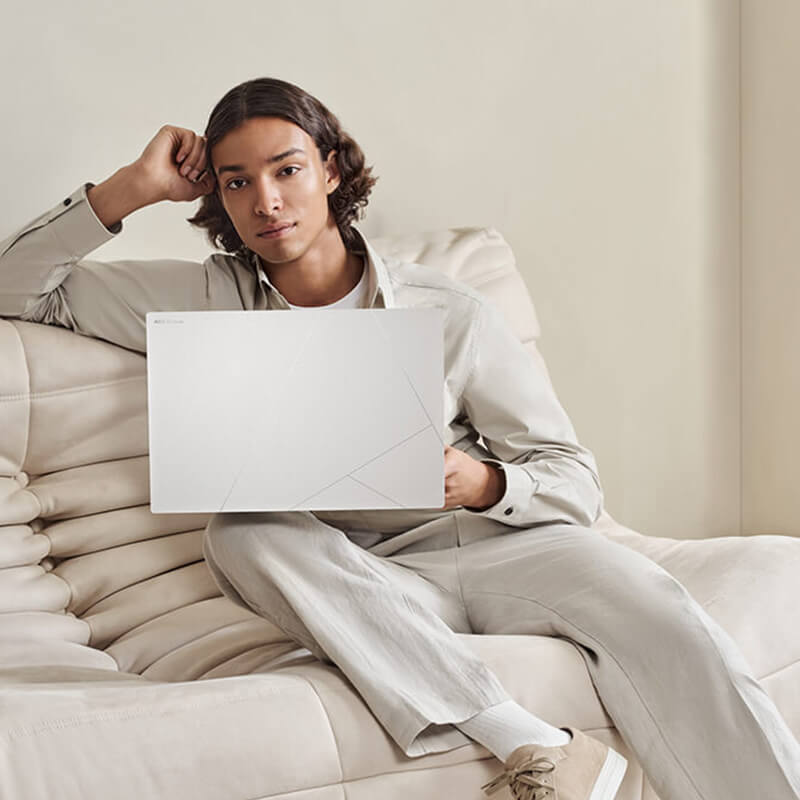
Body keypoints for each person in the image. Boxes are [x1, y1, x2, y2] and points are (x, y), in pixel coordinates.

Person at [1, 77, 798, 800]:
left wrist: (484, 483)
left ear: (332, 170)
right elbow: (17, 287)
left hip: (496, 545)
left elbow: (572, 477)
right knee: (242, 531)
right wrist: (134, 187)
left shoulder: (448, 310)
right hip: (354, 576)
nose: (266, 202)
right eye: (238, 182)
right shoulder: (201, 299)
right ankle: (528, 743)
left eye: (286, 170)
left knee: (661, 612)